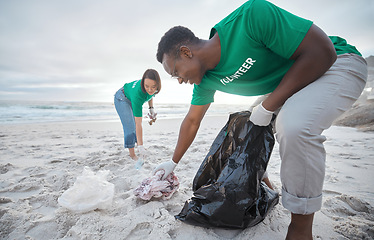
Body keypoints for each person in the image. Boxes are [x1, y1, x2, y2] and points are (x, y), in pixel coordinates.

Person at [153, 0, 368, 239]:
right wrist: (172, 162)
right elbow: (192, 120)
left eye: (175, 72)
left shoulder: (251, 17)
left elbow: (322, 52)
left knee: (293, 126)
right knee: (245, 126)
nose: (179, 80)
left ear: (185, 52)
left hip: (337, 63)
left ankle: (300, 228)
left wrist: (269, 106)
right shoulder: (205, 80)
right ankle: (261, 187)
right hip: (295, 80)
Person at [114, 69, 161, 169]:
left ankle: (137, 144)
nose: (150, 89)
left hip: (131, 97)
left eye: (153, 87)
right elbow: (138, 123)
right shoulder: (138, 95)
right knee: (130, 126)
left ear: (157, 84)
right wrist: (141, 146)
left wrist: (151, 108)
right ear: (143, 83)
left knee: (133, 126)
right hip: (122, 98)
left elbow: (150, 95)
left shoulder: (152, 88)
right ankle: (132, 154)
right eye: (146, 86)